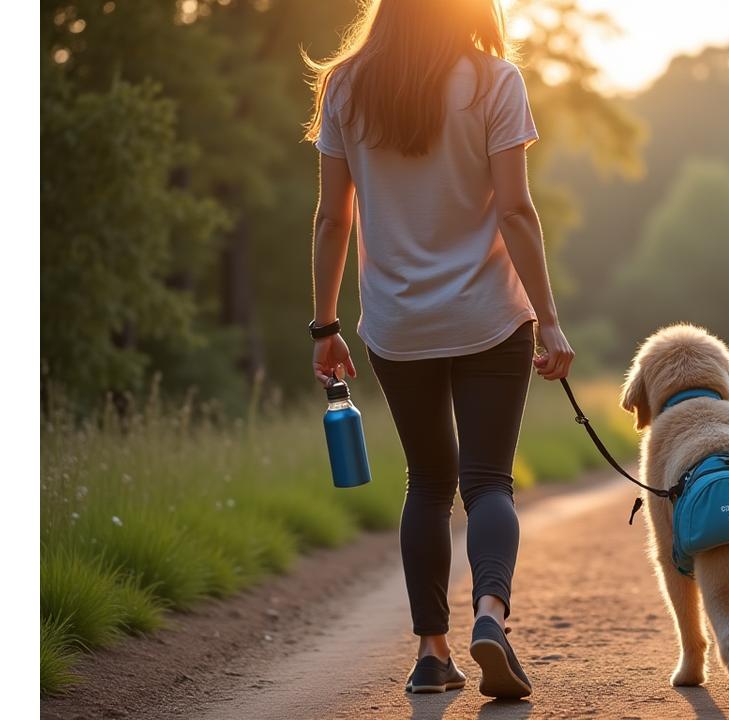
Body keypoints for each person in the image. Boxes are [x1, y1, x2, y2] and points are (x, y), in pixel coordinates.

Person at [302, 0, 573, 700]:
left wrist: (325, 326)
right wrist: (549, 319)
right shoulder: (494, 82)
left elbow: (334, 215)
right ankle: (490, 614)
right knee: (487, 481)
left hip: (397, 324)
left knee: (428, 483)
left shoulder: (345, 85)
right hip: (490, 315)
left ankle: (431, 651)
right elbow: (515, 209)